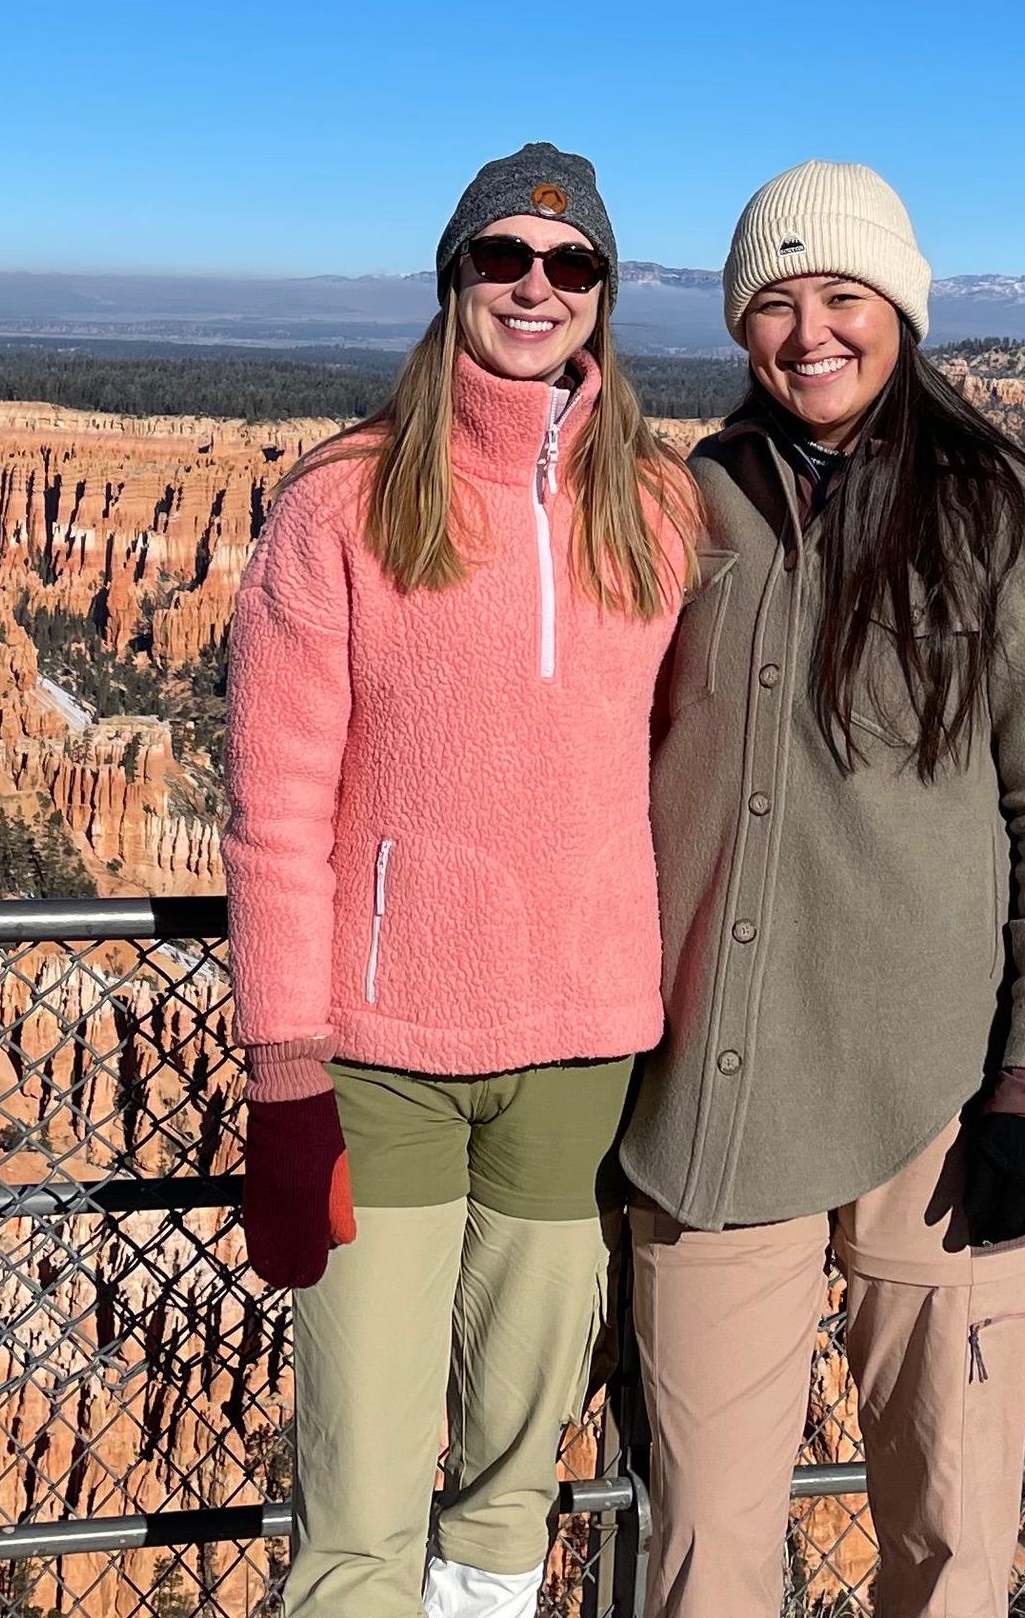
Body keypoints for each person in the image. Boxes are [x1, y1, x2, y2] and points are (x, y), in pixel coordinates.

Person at [620, 160, 1025, 1618]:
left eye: (841, 296)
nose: (809, 333)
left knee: (951, 1541)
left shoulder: (1000, 513)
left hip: (942, 1100)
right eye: (774, 305)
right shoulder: (687, 503)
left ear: (900, 309)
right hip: (717, 1103)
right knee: (705, 1555)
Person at [224, 142, 700, 1618]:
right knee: (361, 1483)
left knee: (509, 1484)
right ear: (453, 280)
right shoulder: (342, 504)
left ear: (607, 298)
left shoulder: (664, 510)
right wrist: (282, 1070)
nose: (535, 287)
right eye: (503, 259)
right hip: (384, 1064)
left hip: (579, 1054)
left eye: (571, 266)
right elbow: (276, 805)